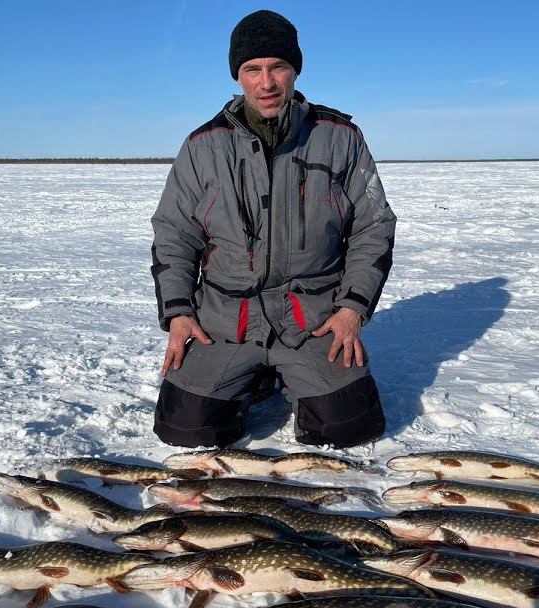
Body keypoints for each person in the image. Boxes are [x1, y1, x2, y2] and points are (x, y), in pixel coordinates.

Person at [150, 9, 395, 449]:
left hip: (312, 318)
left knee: (346, 429)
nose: (267, 82)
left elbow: (372, 228)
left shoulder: (340, 137)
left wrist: (351, 310)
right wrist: (180, 314)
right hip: (228, 319)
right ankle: (254, 377)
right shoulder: (202, 146)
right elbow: (175, 234)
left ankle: (291, 374)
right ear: (238, 76)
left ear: (295, 70)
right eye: (252, 70)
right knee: (188, 431)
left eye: (278, 67)